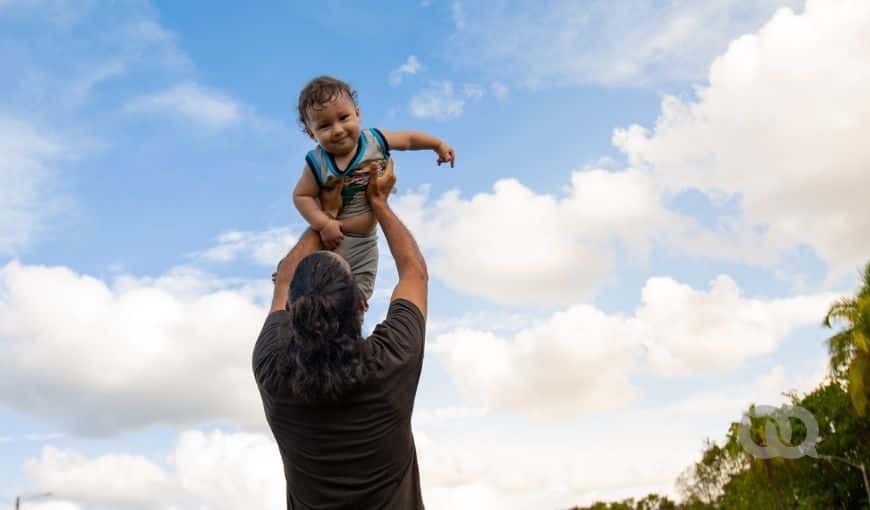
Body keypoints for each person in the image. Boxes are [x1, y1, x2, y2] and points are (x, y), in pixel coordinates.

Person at [253, 160, 429, 509]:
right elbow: (414, 272)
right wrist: (378, 203)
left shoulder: (272, 369)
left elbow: (284, 279)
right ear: (361, 306)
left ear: (293, 311)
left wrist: (324, 219)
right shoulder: (391, 360)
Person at [293, 75, 453, 307]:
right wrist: (323, 223)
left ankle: (354, 307)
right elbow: (301, 196)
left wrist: (437, 145)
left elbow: (408, 139)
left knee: (359, 289)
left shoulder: (374, 141)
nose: (337, 130)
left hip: (363, 241)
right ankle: (291, 280)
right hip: (330, 237)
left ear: (357, 114)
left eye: (343, 118)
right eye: (325, 126)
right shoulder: (317, 162)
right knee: (311, 283)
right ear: (311, 133)